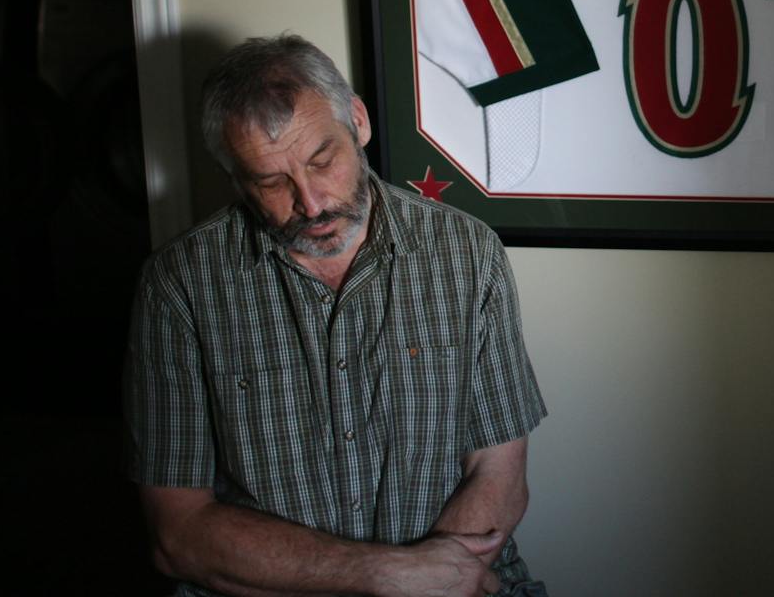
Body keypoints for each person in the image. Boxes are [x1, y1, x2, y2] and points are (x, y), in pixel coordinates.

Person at [124, 34, 548, 597]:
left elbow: (499, 476)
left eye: (323, 161)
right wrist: (383, 577)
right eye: (272, 182)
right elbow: (177, 533)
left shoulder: (467, 253)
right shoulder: (179, 285)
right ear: (235, 180)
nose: (313, 202)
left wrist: (433, 581)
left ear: (358, 121)